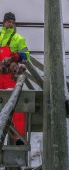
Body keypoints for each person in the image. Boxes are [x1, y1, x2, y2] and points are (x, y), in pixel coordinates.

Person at [0, 12, 30, 145]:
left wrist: (15, 57)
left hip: (11, 77)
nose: (11, 24)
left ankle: (19, 138)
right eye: (9, 21)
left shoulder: (18, 38)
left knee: (17, 106)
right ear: (4, 22)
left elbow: (26, 56)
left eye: (13, 22)